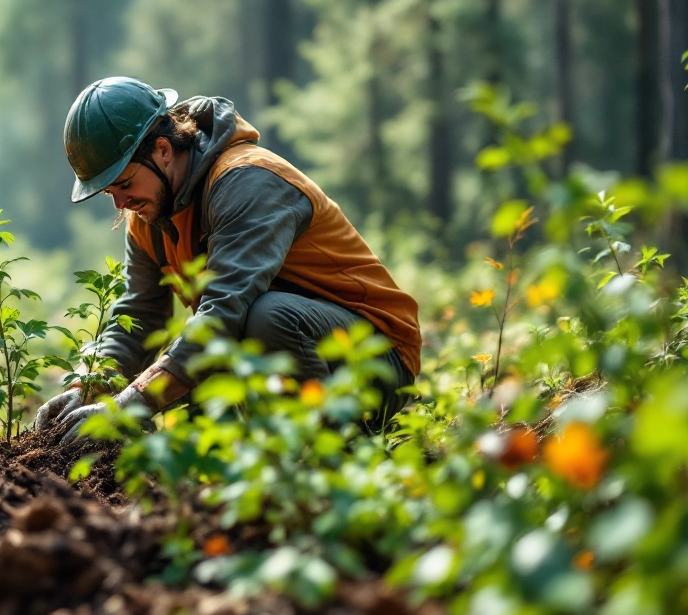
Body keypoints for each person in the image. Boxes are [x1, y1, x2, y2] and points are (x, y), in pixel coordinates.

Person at [35, 77, 421, 440]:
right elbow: (137, 313)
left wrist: (132, 402)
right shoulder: (149, 210)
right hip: (288, 353)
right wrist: (88, 386)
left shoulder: (247, 181)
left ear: (163, 151)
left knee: (265, 318)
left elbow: (224, 312)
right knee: (178, 378)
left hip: (377, 361)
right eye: (109, 194)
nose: (121, 203)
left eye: (124, 184)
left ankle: (334, 454)